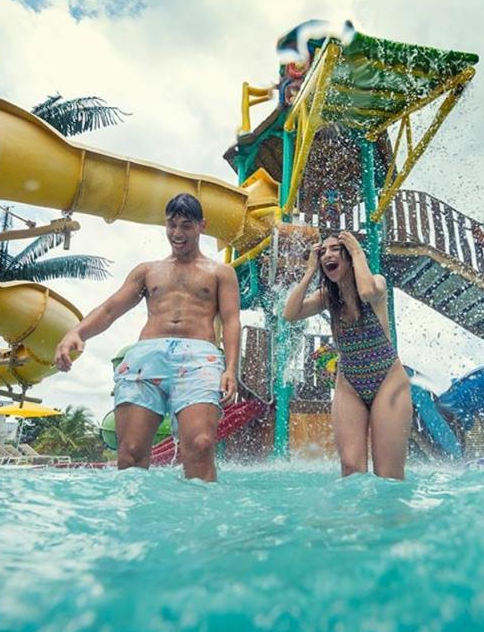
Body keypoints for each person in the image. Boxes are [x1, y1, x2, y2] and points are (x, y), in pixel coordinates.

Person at [53, 194, 240, 482]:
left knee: (200, 446)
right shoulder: (148, 271)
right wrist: (77, 332)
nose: (177, 234)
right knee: (130, 452)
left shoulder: (221, 273)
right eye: (171, 225)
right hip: (147, 357)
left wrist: (230, 368)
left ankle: (200, 522)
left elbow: (231, 321)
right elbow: (110, 308)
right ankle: (137, 523)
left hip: (200, 357)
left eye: (186, 225)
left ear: (202, 226)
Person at [282, 231, 410, 480]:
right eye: (323, 253)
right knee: (351, 467)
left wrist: (357, 251)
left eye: (335, 250)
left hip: (388, 381)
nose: (327, 255)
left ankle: (392, 518)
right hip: (349, 384)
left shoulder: (377, 283)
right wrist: (310, 272)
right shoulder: (328, 297)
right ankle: (357, 519)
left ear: (349, 256)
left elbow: (367, 293)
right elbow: (290, 313)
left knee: (388, 474)